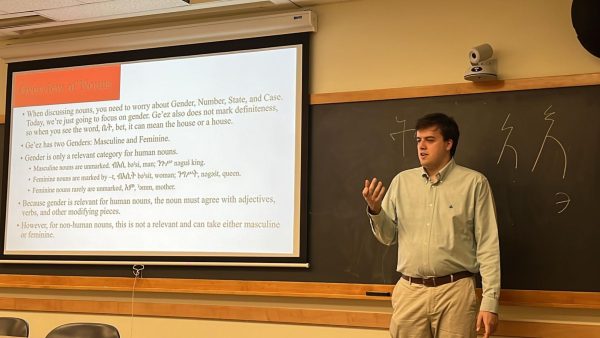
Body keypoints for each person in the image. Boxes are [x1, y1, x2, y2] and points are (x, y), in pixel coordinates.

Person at [362, 113, 500, 338]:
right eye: (418, 140)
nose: (422, 147)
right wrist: (376, 211)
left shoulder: (474, 183)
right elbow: (388, 237)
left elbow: (488, 245)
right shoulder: (402, 182)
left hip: (455, 291)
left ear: (448, 143)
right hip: (410, 290)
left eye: (430, 140)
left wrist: (490, 301)